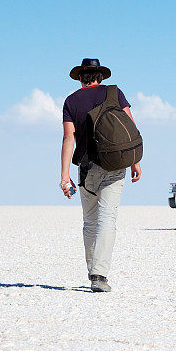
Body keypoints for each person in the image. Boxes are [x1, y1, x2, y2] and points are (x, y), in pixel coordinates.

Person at [60, 58, 141, 293]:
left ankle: (92, 271)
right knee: (107, 220)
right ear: (100, 77)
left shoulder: (71, 101)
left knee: (90, 222)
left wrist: (65, 176)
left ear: (80, 78)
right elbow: (130, 129)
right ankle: (99, 275)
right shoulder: (114, 93)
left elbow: (68, 138)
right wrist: (135, 161)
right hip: (115, 164)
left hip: (86, 169)